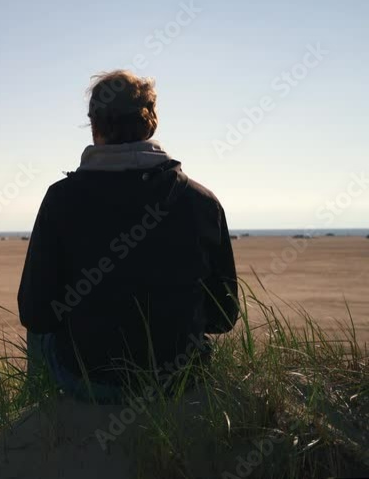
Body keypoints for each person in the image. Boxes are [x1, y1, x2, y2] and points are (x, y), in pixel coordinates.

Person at [17, 70, 239, 403]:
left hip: (89, 381)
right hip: (181, 379)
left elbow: (35, 312)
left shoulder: (61, 199)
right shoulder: (200, 200)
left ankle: (41, 416)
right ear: (152, 123)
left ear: (95, 126)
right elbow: (223, 316)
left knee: (39, 332)